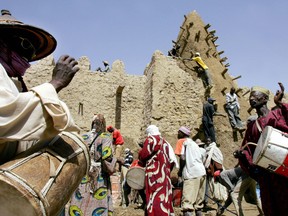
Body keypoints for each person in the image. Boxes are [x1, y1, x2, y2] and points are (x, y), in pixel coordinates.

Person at [0, 9, 80, 163]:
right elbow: (5, 119)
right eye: (26, 44)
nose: (29, 56)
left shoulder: (10, 79)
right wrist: (55, 84)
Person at [236, 82, 288, 216]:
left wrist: (280, 103)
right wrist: (242, 155)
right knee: (270, 207)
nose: (251, 99)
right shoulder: (252, 126)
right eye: (250, 97)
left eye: (255, 96)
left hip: (283, 171)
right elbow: (248, 148)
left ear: (265, 99)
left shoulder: (277, 114)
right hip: (266, 176)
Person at [68, 114, 117, 215]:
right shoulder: (105, 137)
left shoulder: (83, 136)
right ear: (103, 124)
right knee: (98, 200)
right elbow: (107, 157)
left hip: (84, 173)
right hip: (99, 175)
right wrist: (114, 163)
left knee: (82, 197)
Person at [139, 125, 176, 216]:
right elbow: (171, 160)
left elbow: (144, 155)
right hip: (164, 175)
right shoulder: (165, 142)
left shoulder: (151, 140)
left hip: (154, 175)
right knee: (163, 196)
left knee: (154, 195)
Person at [176, 126, 206, 216]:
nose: (177, 133)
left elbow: (182, 157)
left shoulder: (182, 141)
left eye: (179, 132)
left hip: (192, 173)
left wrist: (180, 171)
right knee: (198, 204)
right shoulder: (193, 143)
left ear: (183, 133)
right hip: (202, 172)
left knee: (187, 204)